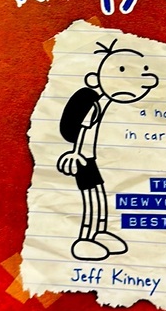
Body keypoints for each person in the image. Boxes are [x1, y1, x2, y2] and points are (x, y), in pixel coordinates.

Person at [57, 39, 159, 261]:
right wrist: (75, 154)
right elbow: (82, 131)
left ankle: (100, 232)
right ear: (95, 79)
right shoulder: (93, 106)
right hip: (83, 160)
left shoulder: (105, 104)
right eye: (122, 70)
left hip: (91, 159)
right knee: (92, 200)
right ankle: (85, 238)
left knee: (100, 197)